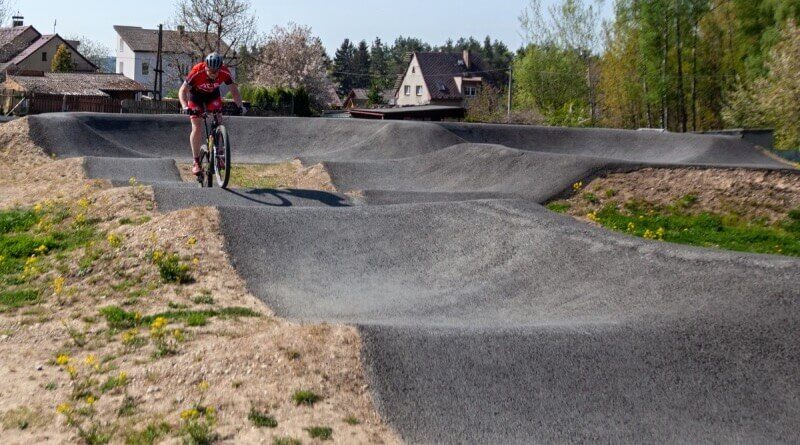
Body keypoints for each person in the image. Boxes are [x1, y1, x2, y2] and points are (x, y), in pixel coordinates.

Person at [178, 52, 246, 175]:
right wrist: (185, 106)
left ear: (220, 68)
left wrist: (240, 106)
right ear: (206, 67)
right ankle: (196, 162)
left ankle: (219, 154)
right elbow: (182, 91)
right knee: (197, 127)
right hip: (196, 97)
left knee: (219, 119)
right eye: (211, 71)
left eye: (217, 72)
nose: (214, 74)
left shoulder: (225, 72)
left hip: (212, 96)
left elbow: (234, 90)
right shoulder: (196, 71)